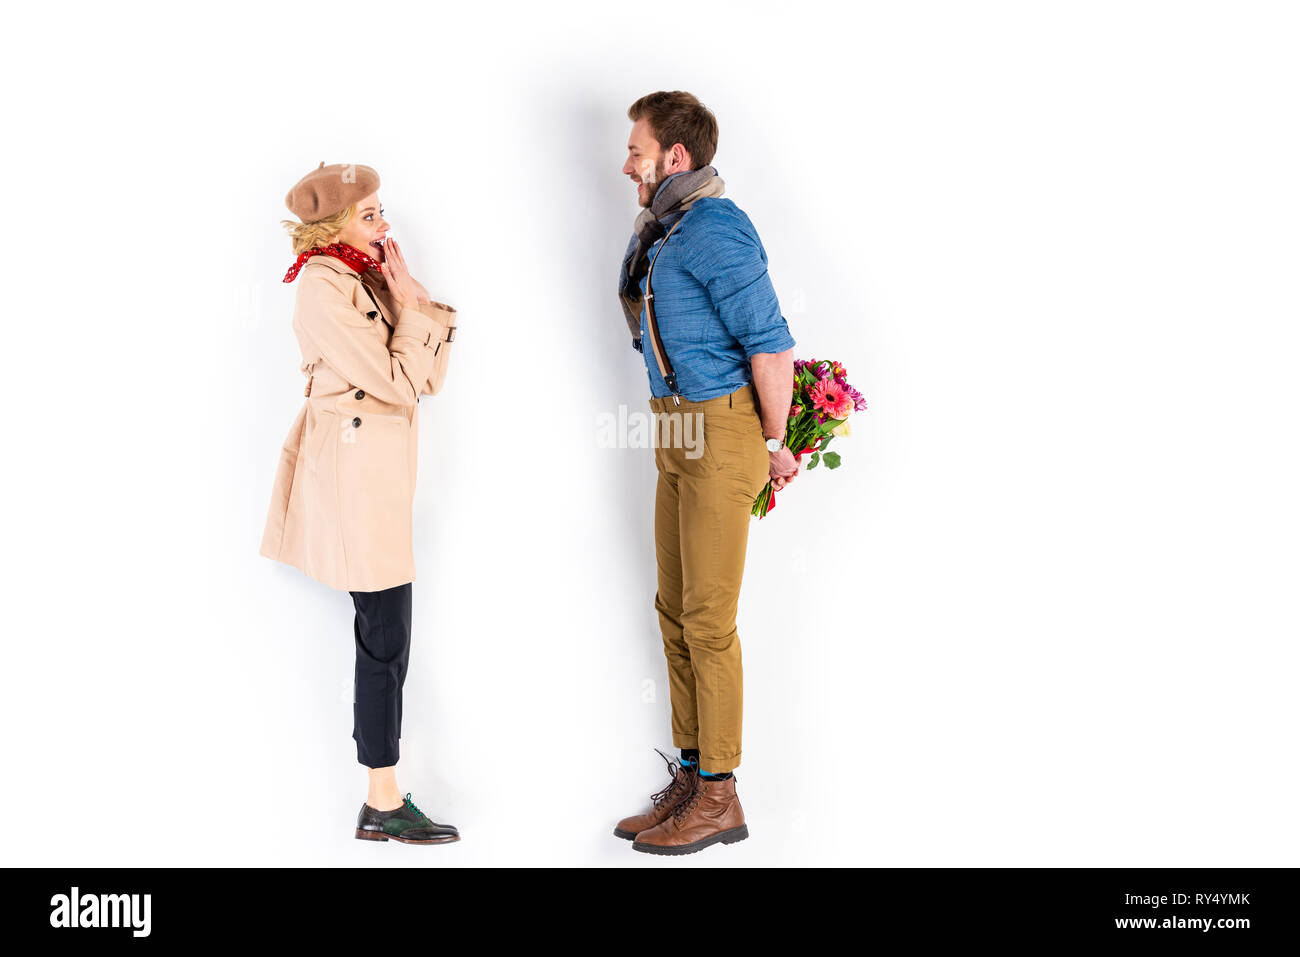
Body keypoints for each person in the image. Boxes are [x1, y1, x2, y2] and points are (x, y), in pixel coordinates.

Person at [613, 93, 799, 855]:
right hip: (676, 427)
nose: (628, 162)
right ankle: (692, 775)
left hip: (720, 431)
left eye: (637, 148)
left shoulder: (715, 227)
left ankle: (721, 794)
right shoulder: (669, 230)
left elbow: (771, 343)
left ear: (675, 157)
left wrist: (776, 439)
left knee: (709, 622)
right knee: (673, 609)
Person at [259, 161, 461, 845]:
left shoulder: (361, 278)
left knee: (387, 636)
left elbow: (424, 376)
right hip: (352, 479)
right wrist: (415, 306)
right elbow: (404, 380)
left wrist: (415, 296)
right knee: (385, 639)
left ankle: (383, 793)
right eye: (370, 214)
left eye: (381, 211)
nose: (384, 224)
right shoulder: (322, 288)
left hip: (378, 477)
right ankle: (382, 797)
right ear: (333, 226)